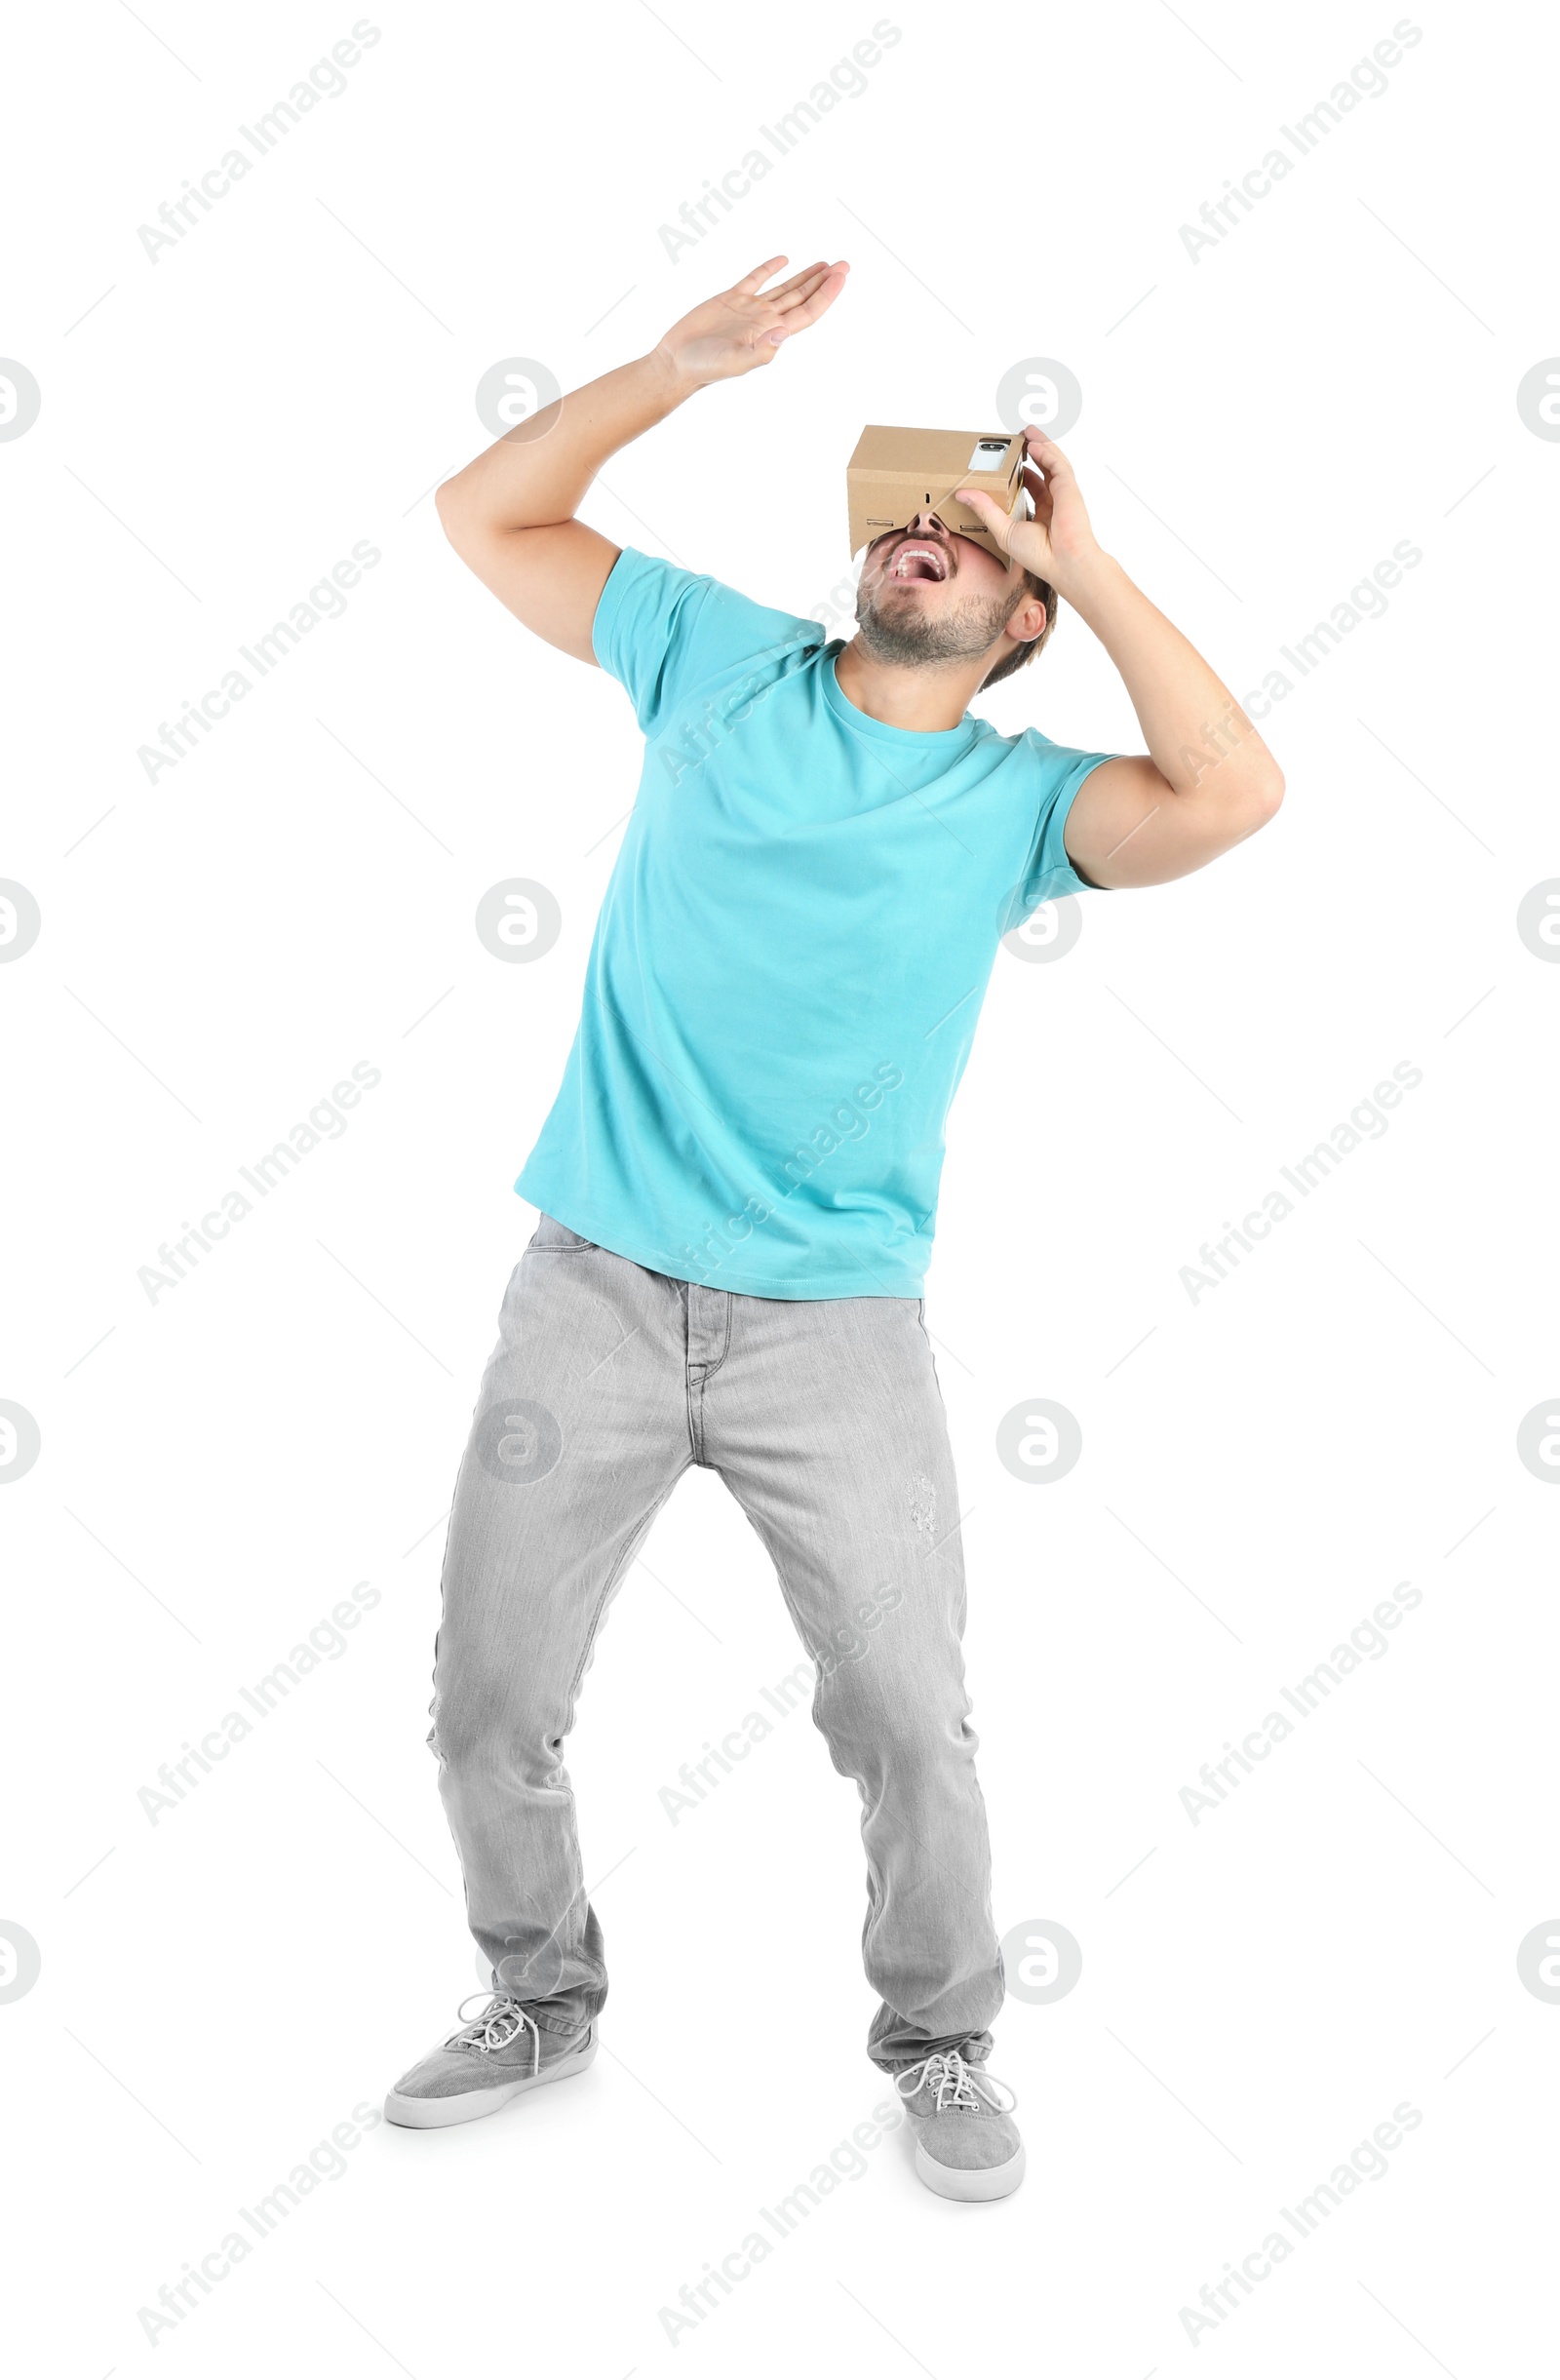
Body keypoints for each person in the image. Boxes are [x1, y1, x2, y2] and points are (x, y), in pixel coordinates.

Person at [383, 256, 1283, 2201]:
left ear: (1020, 623)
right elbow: (486, 517)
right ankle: (538, 1990)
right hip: (593, 1285)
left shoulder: (1022, 798)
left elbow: (1231, 789)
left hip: (834, 1324)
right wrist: (674, 368)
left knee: (901, 1704)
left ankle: (940, 2035)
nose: (931, 543)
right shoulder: (713, 657)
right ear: (863, 563)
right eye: (915, 521)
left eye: (976, 544)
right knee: (480, 1695)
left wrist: (1091, 553)